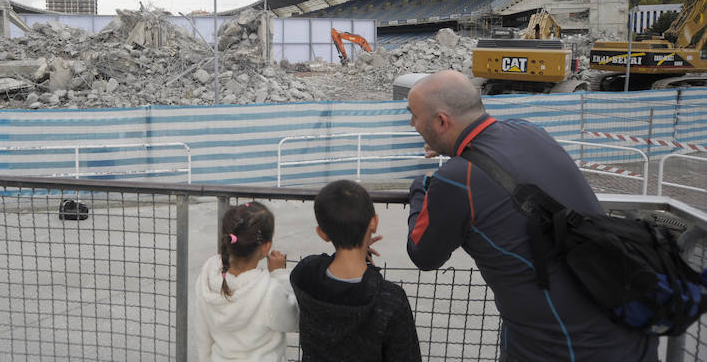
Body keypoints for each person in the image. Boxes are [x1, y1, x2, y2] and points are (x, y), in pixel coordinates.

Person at [405, 70, 657, 362]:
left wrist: (421, 189)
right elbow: (491, 167)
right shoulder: (528, 131)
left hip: (557, 348)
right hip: (629, 330)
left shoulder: (456, 180)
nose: (413, 124)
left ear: (441, 122)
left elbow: (422, 254)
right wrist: (454, 153)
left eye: (414, 116)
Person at [290, 180, 422, 362]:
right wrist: (360, 249)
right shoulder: (390, 299)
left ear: (322, 233)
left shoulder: (305, 274)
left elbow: (322, 263)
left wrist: (351, 241)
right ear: (374, 222)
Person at [194, 201, 298, 362]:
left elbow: (203, 336)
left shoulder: (206, 278)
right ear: (266, 247)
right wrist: (280, 274)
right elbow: (293, 321)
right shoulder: (269, 292)